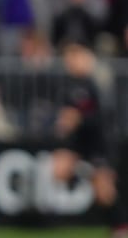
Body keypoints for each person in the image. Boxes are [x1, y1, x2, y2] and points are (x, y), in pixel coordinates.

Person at [51, 40, 127, 236]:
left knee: (105, 193)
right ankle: (81, 174)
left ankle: (120, 227)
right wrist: (63, 124)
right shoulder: (67, 85)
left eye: (74, 57)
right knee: (59, 169)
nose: (70, 62)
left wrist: (80, 119)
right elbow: (64, 115)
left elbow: (106, 117)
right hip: (79, 143)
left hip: (101, 142)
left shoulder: (99, 80)